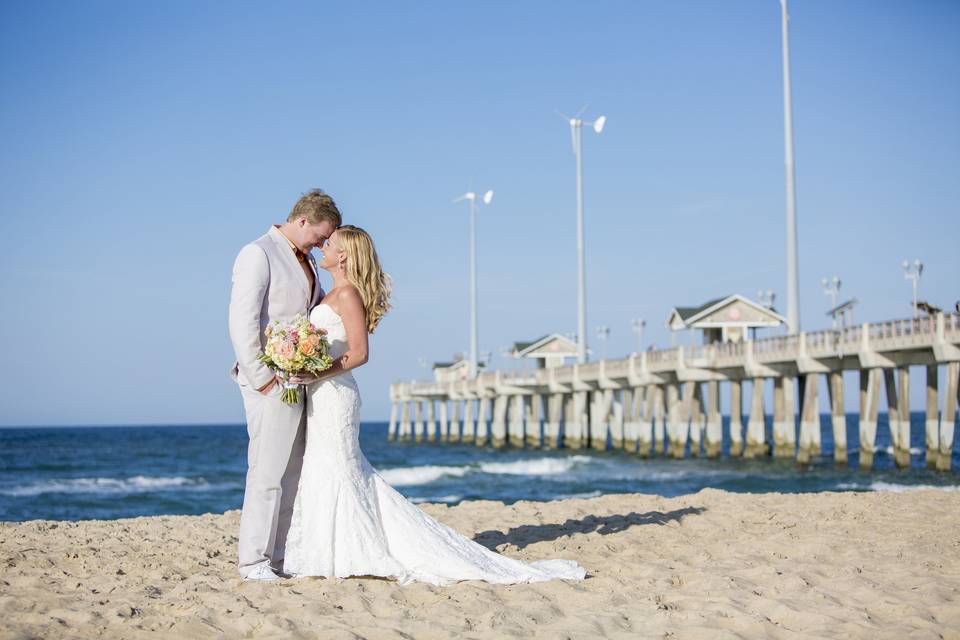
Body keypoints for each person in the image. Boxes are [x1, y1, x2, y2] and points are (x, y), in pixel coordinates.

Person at [282, 225, 586, 585]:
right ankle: (326, 550)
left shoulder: (347, 294)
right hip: (322, 393)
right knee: (325, 466)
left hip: (335, 395)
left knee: (340, 469)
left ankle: (350, 551)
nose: (323, 247)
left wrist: (317, 373)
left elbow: (360, 353)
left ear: (343, 256)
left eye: (328, 244)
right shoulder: (332, 291)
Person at [227, 189, 341, 581]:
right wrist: (262, 380)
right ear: (302, 221)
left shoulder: (306, 260)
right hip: (270, 382)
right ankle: (253, 561)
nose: (322, 244)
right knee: (266, 473)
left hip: (299, 380)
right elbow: (243, 321)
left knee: (291, 474)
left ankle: (276, 558)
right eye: (320, 236)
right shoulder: (257, 254)